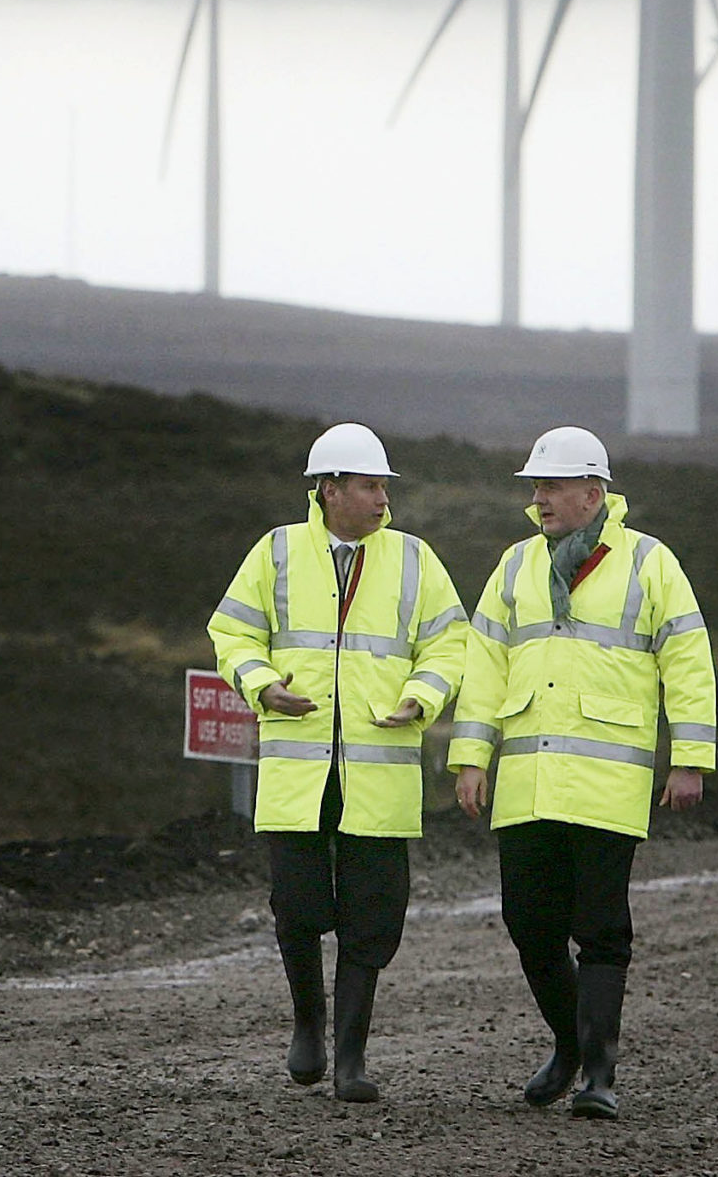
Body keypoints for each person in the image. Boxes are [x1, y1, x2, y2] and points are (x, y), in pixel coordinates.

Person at [447, 426, 717, 1120]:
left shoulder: (650, 562)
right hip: (528, 781)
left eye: (553, 486)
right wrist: (471, 755)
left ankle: (599, 1075)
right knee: (528, 925)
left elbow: (688, 661)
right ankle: (569, 1046)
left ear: (593, 494)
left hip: (606, 783)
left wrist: (690, 757)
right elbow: (484, 666)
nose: (539, 498)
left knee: (600, 929)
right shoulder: (515, 565)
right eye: (536, 487)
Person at [203, 423, 469, 1101]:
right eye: (370, 486)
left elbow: (450, 642)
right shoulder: (276, 551)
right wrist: (262, 684)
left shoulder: (414, 558)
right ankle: (308, 1024)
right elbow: (232, 632)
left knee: (372, 913)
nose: (383, 499)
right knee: (296, 903)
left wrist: (421, 695)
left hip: (378, 768)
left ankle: (351, 1057)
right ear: (329, 489)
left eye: (384, 487)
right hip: (298, 768)